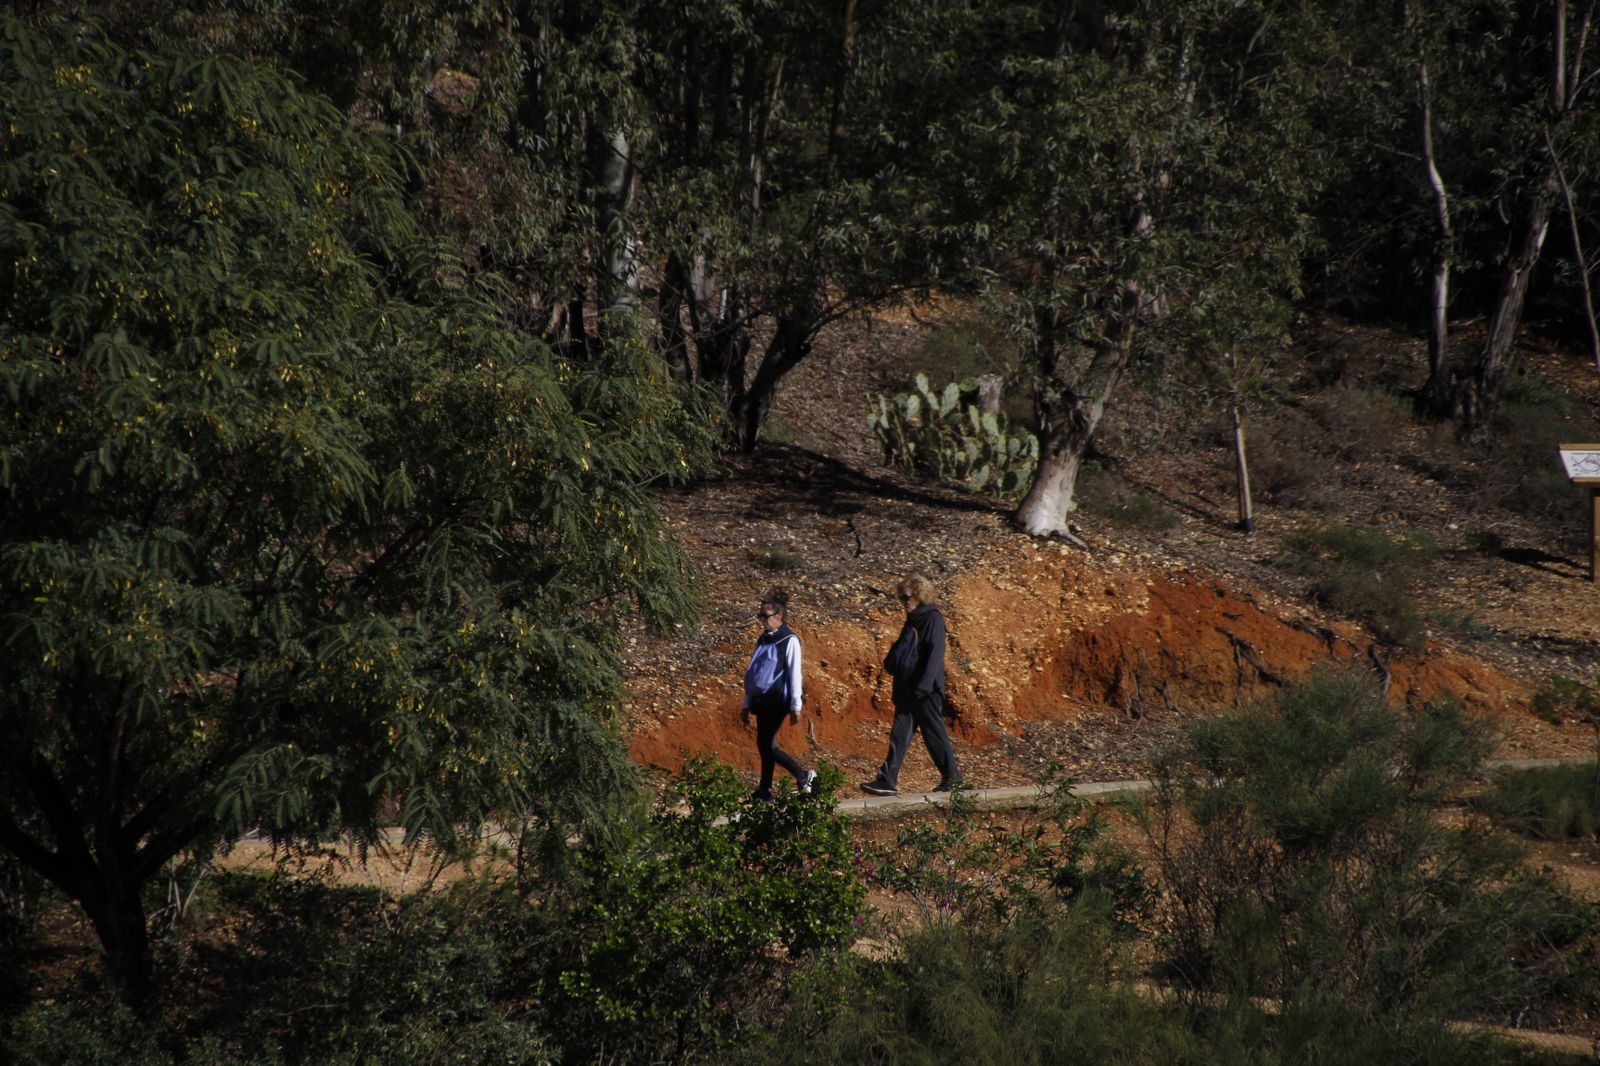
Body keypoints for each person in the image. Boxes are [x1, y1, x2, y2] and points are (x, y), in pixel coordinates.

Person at [861, 573, 960, 796]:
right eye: (901, 598)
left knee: (933, 732)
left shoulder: (932, 617)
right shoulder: (914, 618)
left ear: (919, 595)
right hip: (908, 688)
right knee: (900, 733)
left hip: (924, 689)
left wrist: (924, 686)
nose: (903, 603)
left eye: (906, 598)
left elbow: (935, 654)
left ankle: (953, 778)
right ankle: (887, 779)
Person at [742, 587, 817, 801]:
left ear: (779, 616)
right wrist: (746, 703)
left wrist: (796, 706)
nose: (762, 620)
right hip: (762, 700)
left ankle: (803, 776)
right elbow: (752, 672)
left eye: (765, 616)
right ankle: (764, 791)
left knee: (766, 744)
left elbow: (795, 674)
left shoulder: (789, 640)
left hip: (778, 701)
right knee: (765, 744)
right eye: (760, 616)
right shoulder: (764, 639)